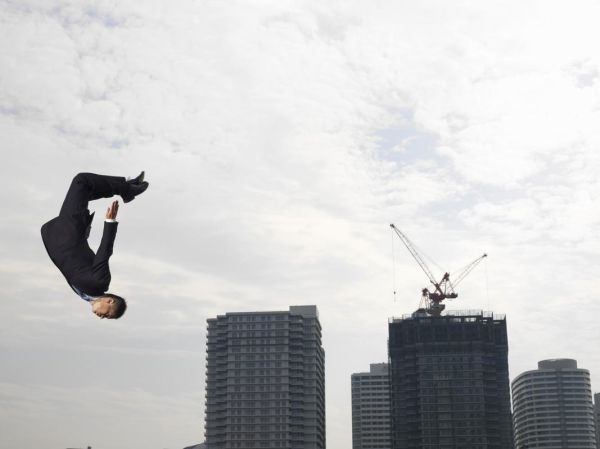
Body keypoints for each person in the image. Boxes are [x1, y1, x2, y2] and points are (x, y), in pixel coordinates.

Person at [41, 172, 149, 319]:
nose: (102, 317)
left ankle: (127, 188)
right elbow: (105, 251)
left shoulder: (85, 296)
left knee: (85, 190)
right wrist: (110, 223)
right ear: (110, 301)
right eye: (108, 314)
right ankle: (126, 189)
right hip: (70, 231)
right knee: (82, 182)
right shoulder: (100, 283)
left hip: (61, 233)